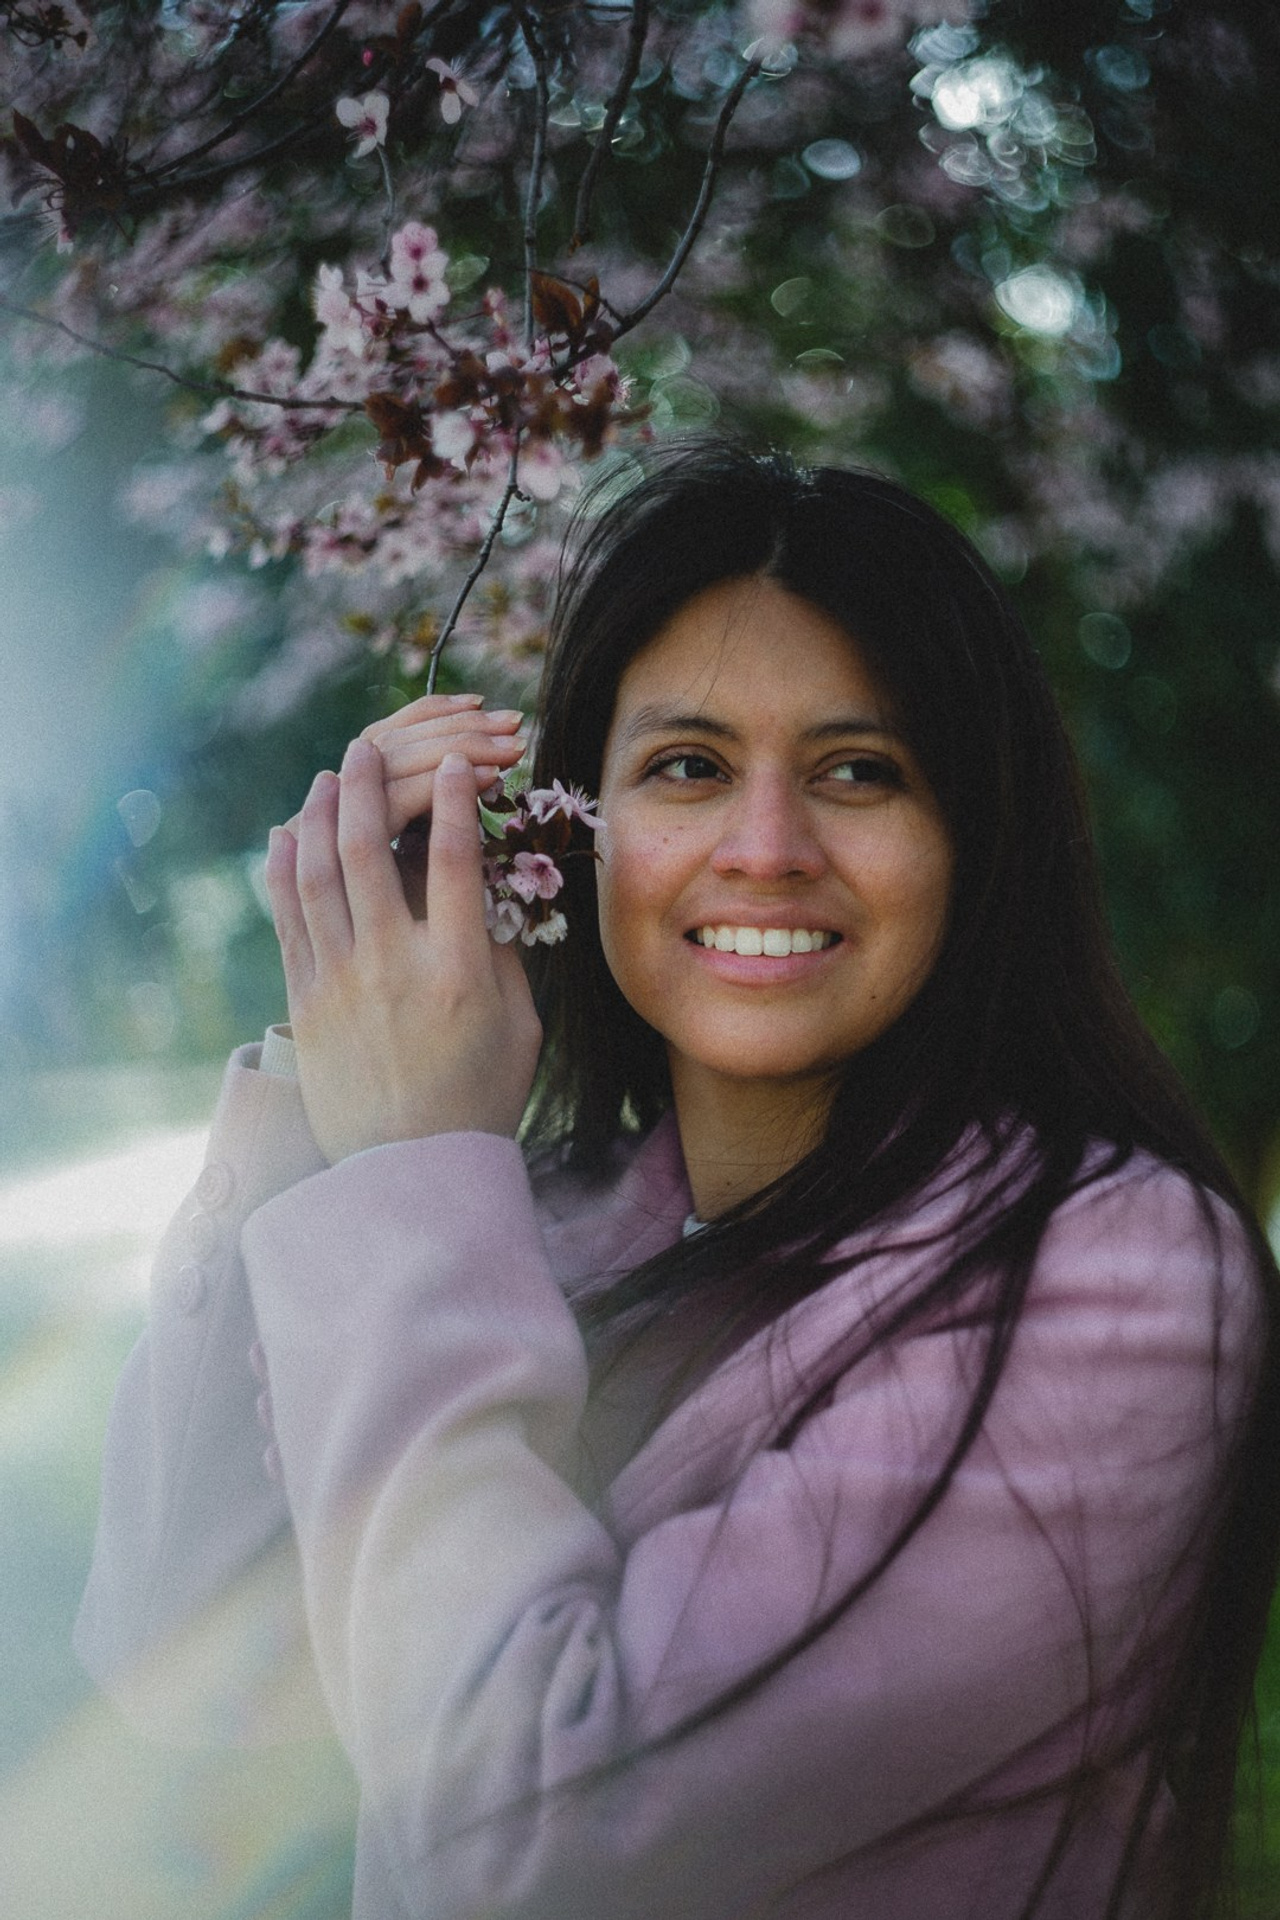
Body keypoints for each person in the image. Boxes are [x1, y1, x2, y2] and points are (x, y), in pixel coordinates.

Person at [76, 443, 1280, 1920]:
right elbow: (174, 1653)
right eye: (688, 768)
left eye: (861, 771)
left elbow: (537, 1839)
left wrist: (403, 1172)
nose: (766, 851)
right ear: (574, 840)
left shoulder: (1122, 1285)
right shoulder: (528, 1226)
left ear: (976, 843)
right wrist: (328, 1109)